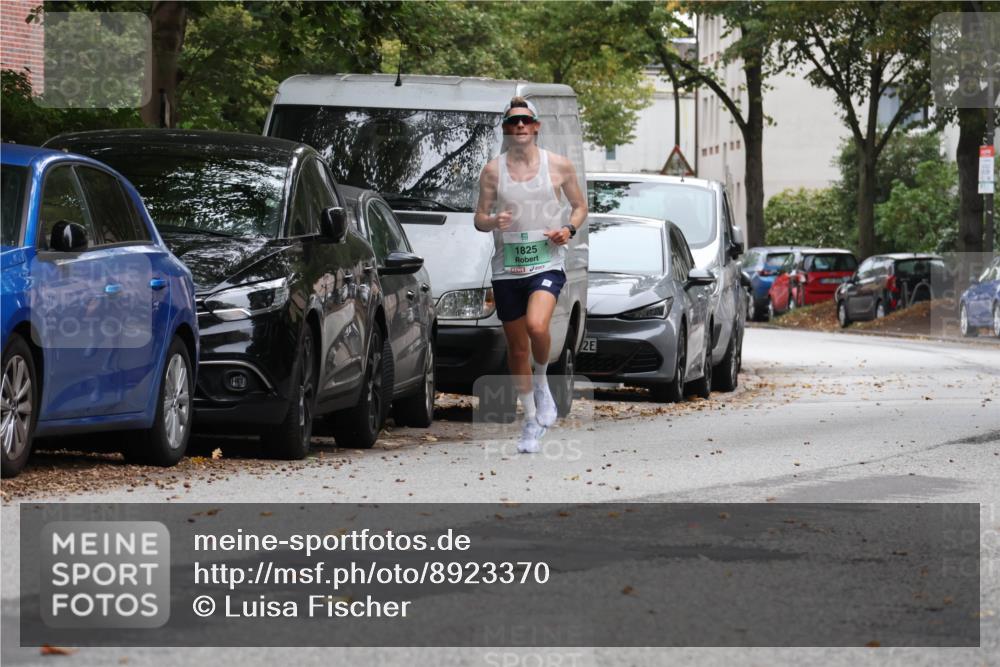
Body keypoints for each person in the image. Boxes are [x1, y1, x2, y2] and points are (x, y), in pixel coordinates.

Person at [473, 96, 587, 453]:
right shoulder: (493, 171)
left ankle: (542, 382)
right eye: (512, 122)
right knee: (516, 347)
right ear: (506, 130)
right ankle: (530, 420)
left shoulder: (559, 166)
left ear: (536, 127)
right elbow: (479, 218)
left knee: (537, 327)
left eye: (525, 121)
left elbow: (580, 207)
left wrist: (567, 229)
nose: (519, 126)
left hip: (546, 262)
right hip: (507, 268)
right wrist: (493, 221)